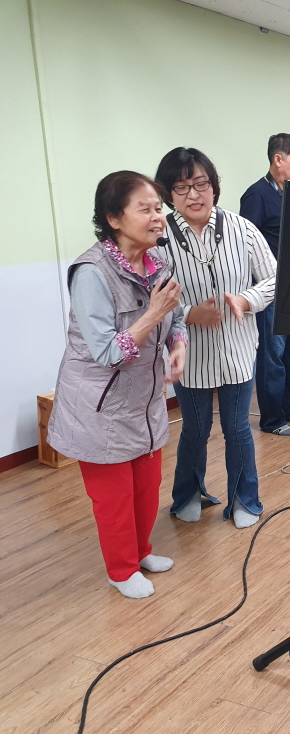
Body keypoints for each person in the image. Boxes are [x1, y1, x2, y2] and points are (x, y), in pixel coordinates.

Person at [47, 171, 187, 599]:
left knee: (146, 487)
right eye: (145, 209)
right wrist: (153, 314)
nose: (158, 217)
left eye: (159, 208)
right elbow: (109, 352)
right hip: (100, 406)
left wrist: (177, 345)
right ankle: (121, 570)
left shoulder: (159, 263)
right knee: (114, 498)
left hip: (144, 400)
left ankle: (141, 552)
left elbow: (176, 318)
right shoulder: (91, 273)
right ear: (113, 218)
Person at [155, 147, 277, 529]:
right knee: (195, 430)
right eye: (181, 188)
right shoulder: (160, 239)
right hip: (189, 355)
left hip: (238, 349)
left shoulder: (242, 229)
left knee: (237, 429)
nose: (193, 195)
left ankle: (245, 500)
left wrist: (245, 299)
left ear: (213, 185)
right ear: (168, 194)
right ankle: (188, 495)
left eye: (201, 184)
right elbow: (149, 297)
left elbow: (275, 278)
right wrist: (190, 313)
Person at [240, 133, 290, 436]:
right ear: (278, 159)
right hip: (270, 288)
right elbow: (246, 244)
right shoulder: (256, 195)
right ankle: (272, 419)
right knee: (273, 356)